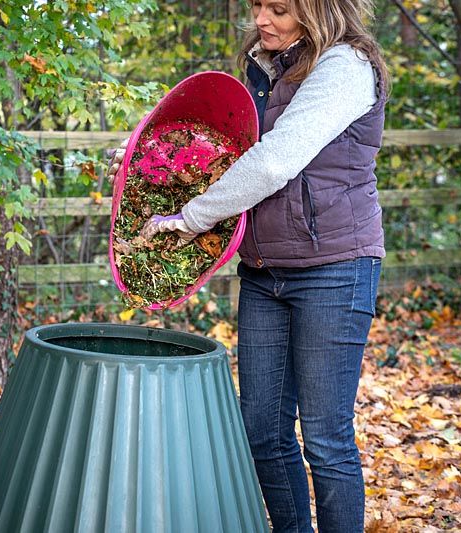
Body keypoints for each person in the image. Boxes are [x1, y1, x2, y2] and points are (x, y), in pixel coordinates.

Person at [108, 1, 388, 531]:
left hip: (334, 266)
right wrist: (148, 159)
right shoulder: (264, 68)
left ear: (318, 9)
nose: (261, 17)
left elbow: (276, 160)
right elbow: (223, 153)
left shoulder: (345, 66)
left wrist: (189, 219)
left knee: (326, 440)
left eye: (279, 8)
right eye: (258, 4)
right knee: (261, 431)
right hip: (263, 269)